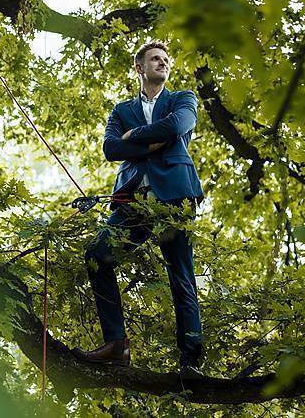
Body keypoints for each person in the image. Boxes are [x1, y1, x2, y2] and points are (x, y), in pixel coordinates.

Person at [71, 40, 206, 379]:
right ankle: (116, 344)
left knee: (181, 275)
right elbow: (111, 148)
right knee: (96, 255)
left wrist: (136, 138)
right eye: (155, 59)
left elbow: (177, 127)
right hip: (133, 201)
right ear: (139, 68)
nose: (162, 63)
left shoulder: (183, 99)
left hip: (175, 196)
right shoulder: (121, 110)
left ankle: (190, 361)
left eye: (165, 60)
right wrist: (152, 142)